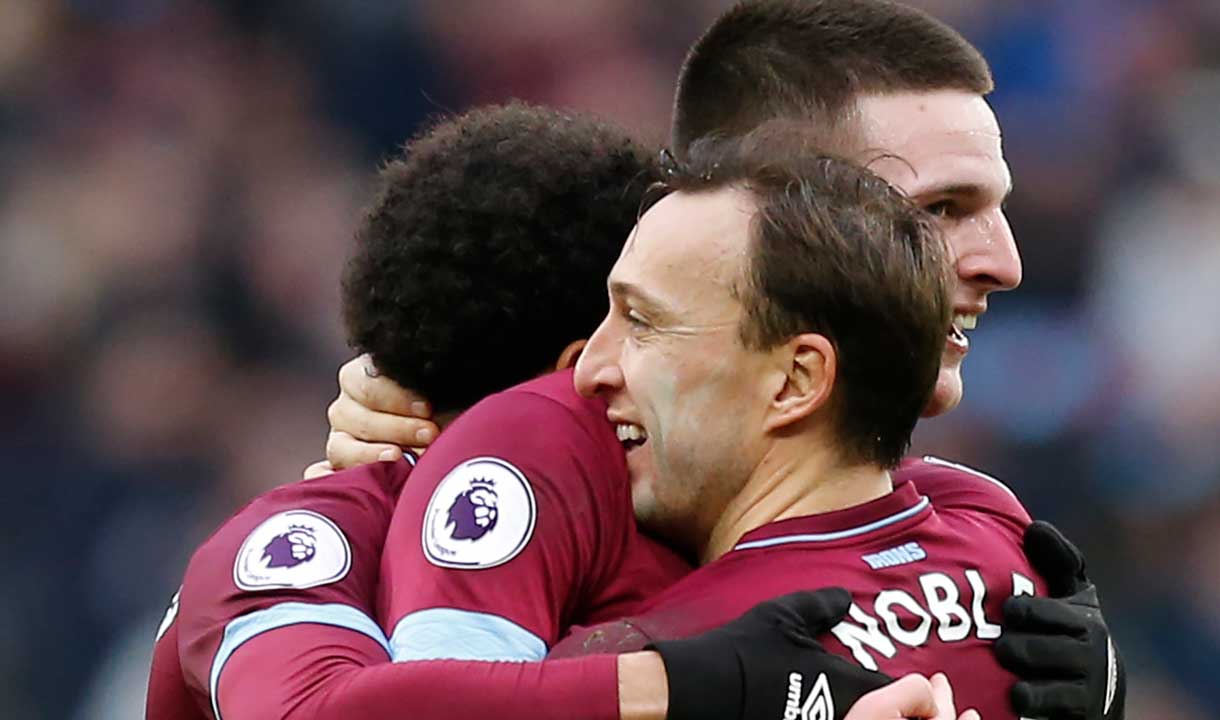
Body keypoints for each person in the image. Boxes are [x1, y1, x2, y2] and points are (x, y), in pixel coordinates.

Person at [319, 2, 1123, 719]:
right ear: (799, 214)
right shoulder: (533, 457)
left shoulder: (966, 506)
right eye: (941, 211)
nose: (1003, 262)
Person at [150, 103, 961, 720]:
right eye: (629, 321)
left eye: (644, 321)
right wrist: (692, 685)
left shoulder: (709, 520)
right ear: (581, 370)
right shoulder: (298, 550)